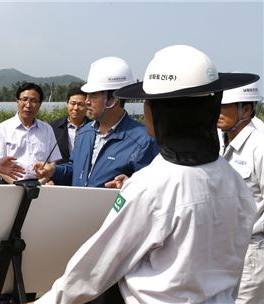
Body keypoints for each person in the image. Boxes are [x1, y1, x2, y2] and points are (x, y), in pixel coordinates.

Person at [35, 45, 258, 304]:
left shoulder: (153, 184)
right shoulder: (233, 181)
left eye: (148, 102)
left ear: (161, 111)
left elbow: (96, 268)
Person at [35, 57, 158, 190]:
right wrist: (54, 171)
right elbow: (75, 169)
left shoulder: (143, 141)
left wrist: (129, 185)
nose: (87, 101)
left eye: (93, 95)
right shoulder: (84, 132)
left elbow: (149, 190)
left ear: (113, 99)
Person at [217, 80, 264, 304]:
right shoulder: (217, 139)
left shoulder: (260, 145)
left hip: (252, 253)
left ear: (245, 109)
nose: (217, 112)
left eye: (223, 106)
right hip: (221, 249)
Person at [0, 82, 61, 183]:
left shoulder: (47, 129)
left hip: (41, 185)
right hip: (11, 185)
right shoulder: (2, 129)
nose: (28, 105)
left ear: (40, 104)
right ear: (17, 101)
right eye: (24, 99)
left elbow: (53, 161)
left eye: (34, 101)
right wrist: (15, 184)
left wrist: (43, 181)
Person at [50, 87, 90, 164]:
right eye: (73, 103)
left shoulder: (95, 127)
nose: (76, 108)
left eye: (80, 104)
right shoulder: (53, 127)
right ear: (67, 104)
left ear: (87, 106)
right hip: (60, 173)